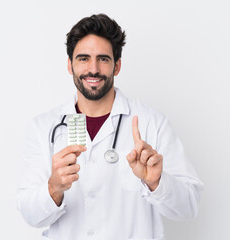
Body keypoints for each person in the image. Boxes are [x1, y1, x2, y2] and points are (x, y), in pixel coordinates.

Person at [17, 14, 203, 240]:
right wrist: (54, 188)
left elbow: (189, 207)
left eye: (103, 59)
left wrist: (157, 182)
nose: (93, 69)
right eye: (83, 58)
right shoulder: (43, 127)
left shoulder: (152, 123)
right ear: (70, 65)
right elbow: (29, 215)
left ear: (117, 66)